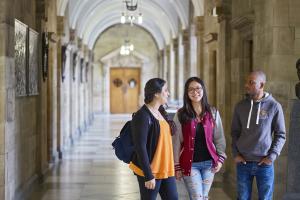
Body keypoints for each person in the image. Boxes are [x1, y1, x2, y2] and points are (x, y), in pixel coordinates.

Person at [231, 70, 286, 200]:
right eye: (247, 82)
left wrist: (272, 156)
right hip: (243, 163)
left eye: (251, 82)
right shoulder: (240, 106)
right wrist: (235, 154)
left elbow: (281, 134)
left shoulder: (274, 106)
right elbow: (234, 132)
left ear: (261, 85)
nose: (246, 85)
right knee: (242, 198)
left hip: (264, 164)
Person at [172, 77, 226, 200]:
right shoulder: (181, 114)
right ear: (186, 93)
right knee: (197, 197)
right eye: (191, 89)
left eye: (198, 88)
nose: (195, 92)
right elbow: (176, 142)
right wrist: (176, 166)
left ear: (203, 90)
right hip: (190, 165)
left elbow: (219, 138)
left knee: (204, 197)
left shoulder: (213, 112)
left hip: (209, 163)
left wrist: (221, 158)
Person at [129, 78, 179, 200]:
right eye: (166, 90)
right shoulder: (142, 115)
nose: (168, 93)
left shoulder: (160, 111)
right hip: (151, 170)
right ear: (156, 93)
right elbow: (140, 147)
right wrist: (148, 175)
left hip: (166, 168)